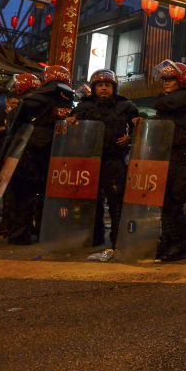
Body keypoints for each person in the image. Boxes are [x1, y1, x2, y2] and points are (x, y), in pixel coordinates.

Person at [68, 69, 138, 248]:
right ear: (94, 88)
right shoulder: (84, 106)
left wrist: (130, 139)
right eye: (100, 85)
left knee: (116, 201)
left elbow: (139, 126)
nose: (104, 89)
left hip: (114, 160)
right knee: (90, 201)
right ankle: (93, 236)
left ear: (114, 87)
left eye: (107, 85)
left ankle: (118, 238)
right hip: (89, 160)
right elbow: (71, 123)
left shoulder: (126, 106)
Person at [6, 65, 74, 245]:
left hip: (28, 154)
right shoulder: (69, 102)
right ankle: (44, 231)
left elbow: (14, 127)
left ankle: (20, 234)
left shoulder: (32, 100)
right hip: (56, 155)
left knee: (24, 196)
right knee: (46, 195)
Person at [152, 59, 186, 261]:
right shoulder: (173, 101)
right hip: (168, 156)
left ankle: (180, 243)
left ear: (181, 80)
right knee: (166, 203)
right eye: (164, 79)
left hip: (180, 158)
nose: (166, 83)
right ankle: (169, 240)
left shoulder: (185, 97)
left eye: (170, 79)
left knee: (172, 203)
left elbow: (163, 102)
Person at [0, 72, 42, 237]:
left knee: (20, 196)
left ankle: (19, 231)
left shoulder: (26, 106)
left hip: (24, 157)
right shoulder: (38, 104)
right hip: (28, 157)